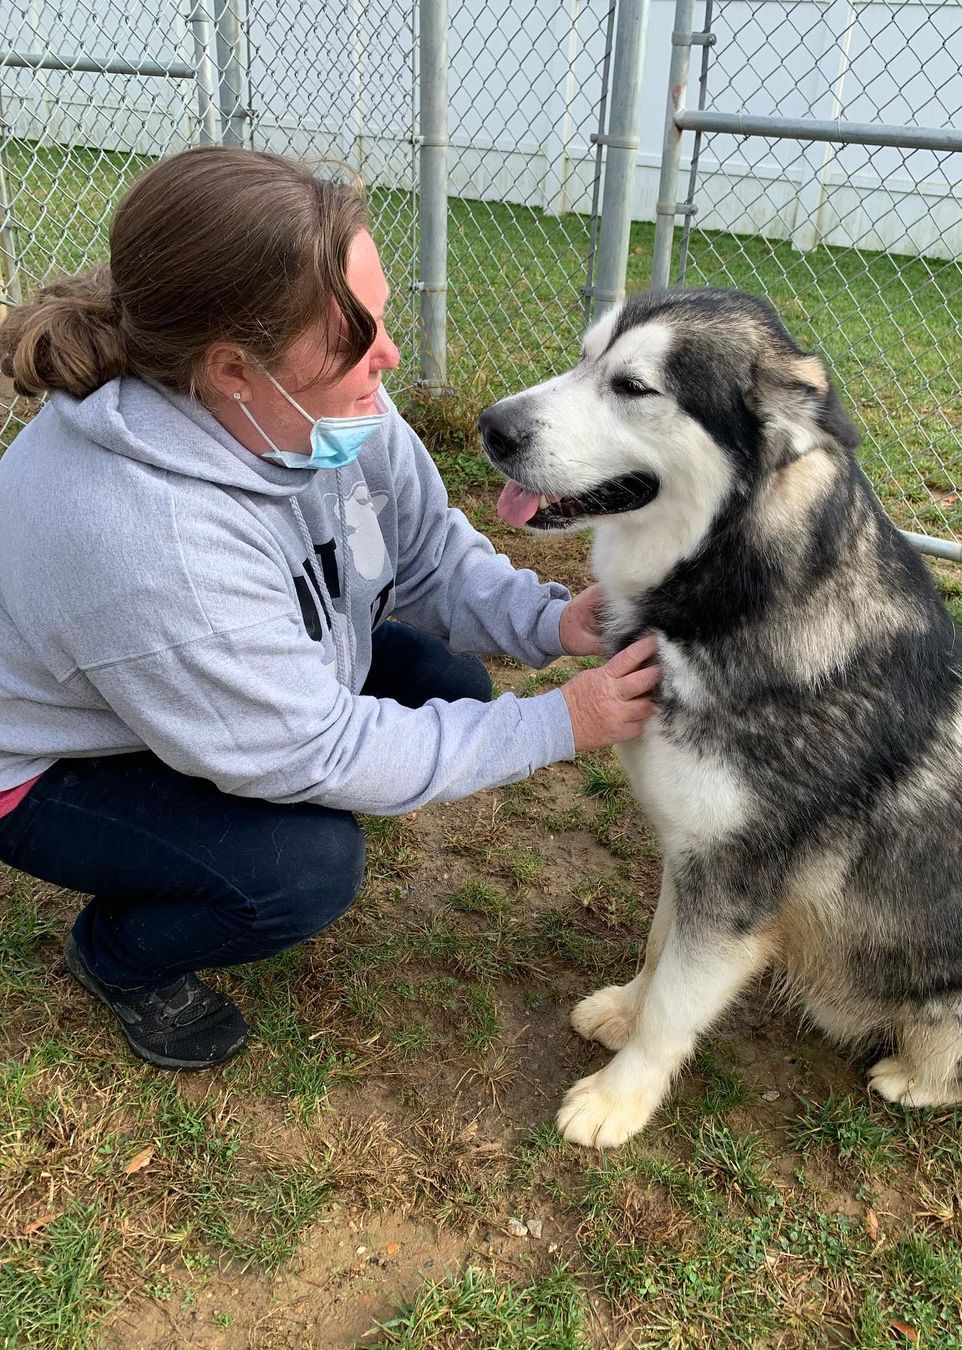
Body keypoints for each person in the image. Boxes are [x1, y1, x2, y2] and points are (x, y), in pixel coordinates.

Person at [0, 146, 658, 1071]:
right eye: (359, 336)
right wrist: (560, 722)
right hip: (48, 754)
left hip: (170, 673)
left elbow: (425, 550)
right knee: (300, 870)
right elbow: (315, 751)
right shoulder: (147, 543)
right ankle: (118, 955)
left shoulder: (323, 397)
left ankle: (204, 778)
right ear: (234, 368)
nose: (386, 354)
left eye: (379, 316)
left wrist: (551, 623)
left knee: (448, 684)